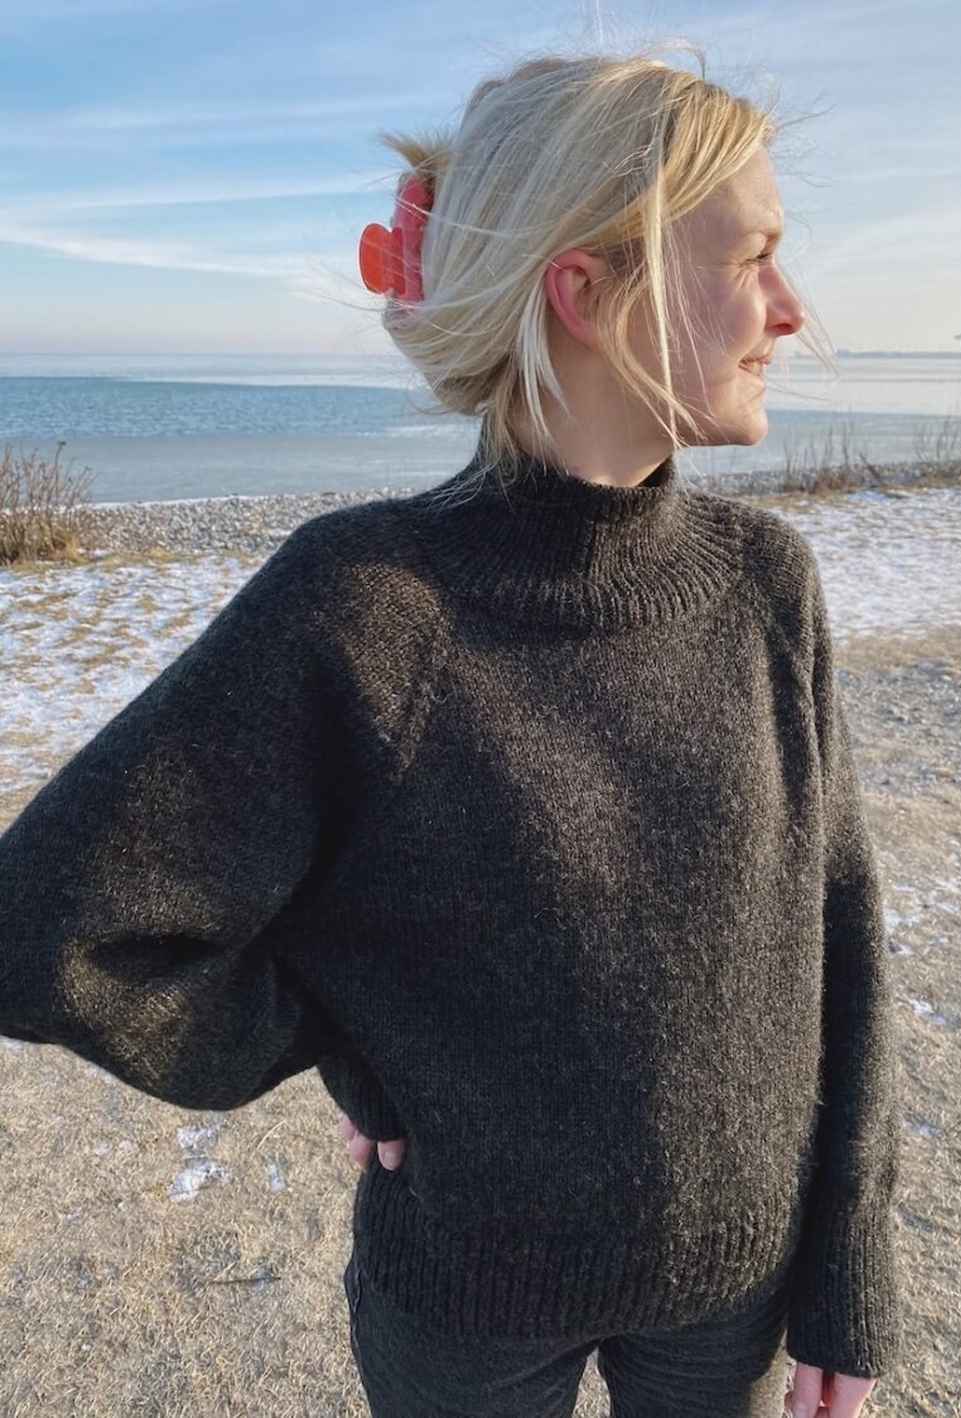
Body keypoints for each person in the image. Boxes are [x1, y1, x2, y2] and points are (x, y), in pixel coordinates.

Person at [0, 50, 898, 1418]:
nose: (791, 308)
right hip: (467, 1313)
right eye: (754, 256)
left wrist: (849, 1264)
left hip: (735, 1298)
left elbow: (838, 930)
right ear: (585, 293)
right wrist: (340, 1032)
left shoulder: (768, 585)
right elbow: (50, 926)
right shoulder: (367, 606)